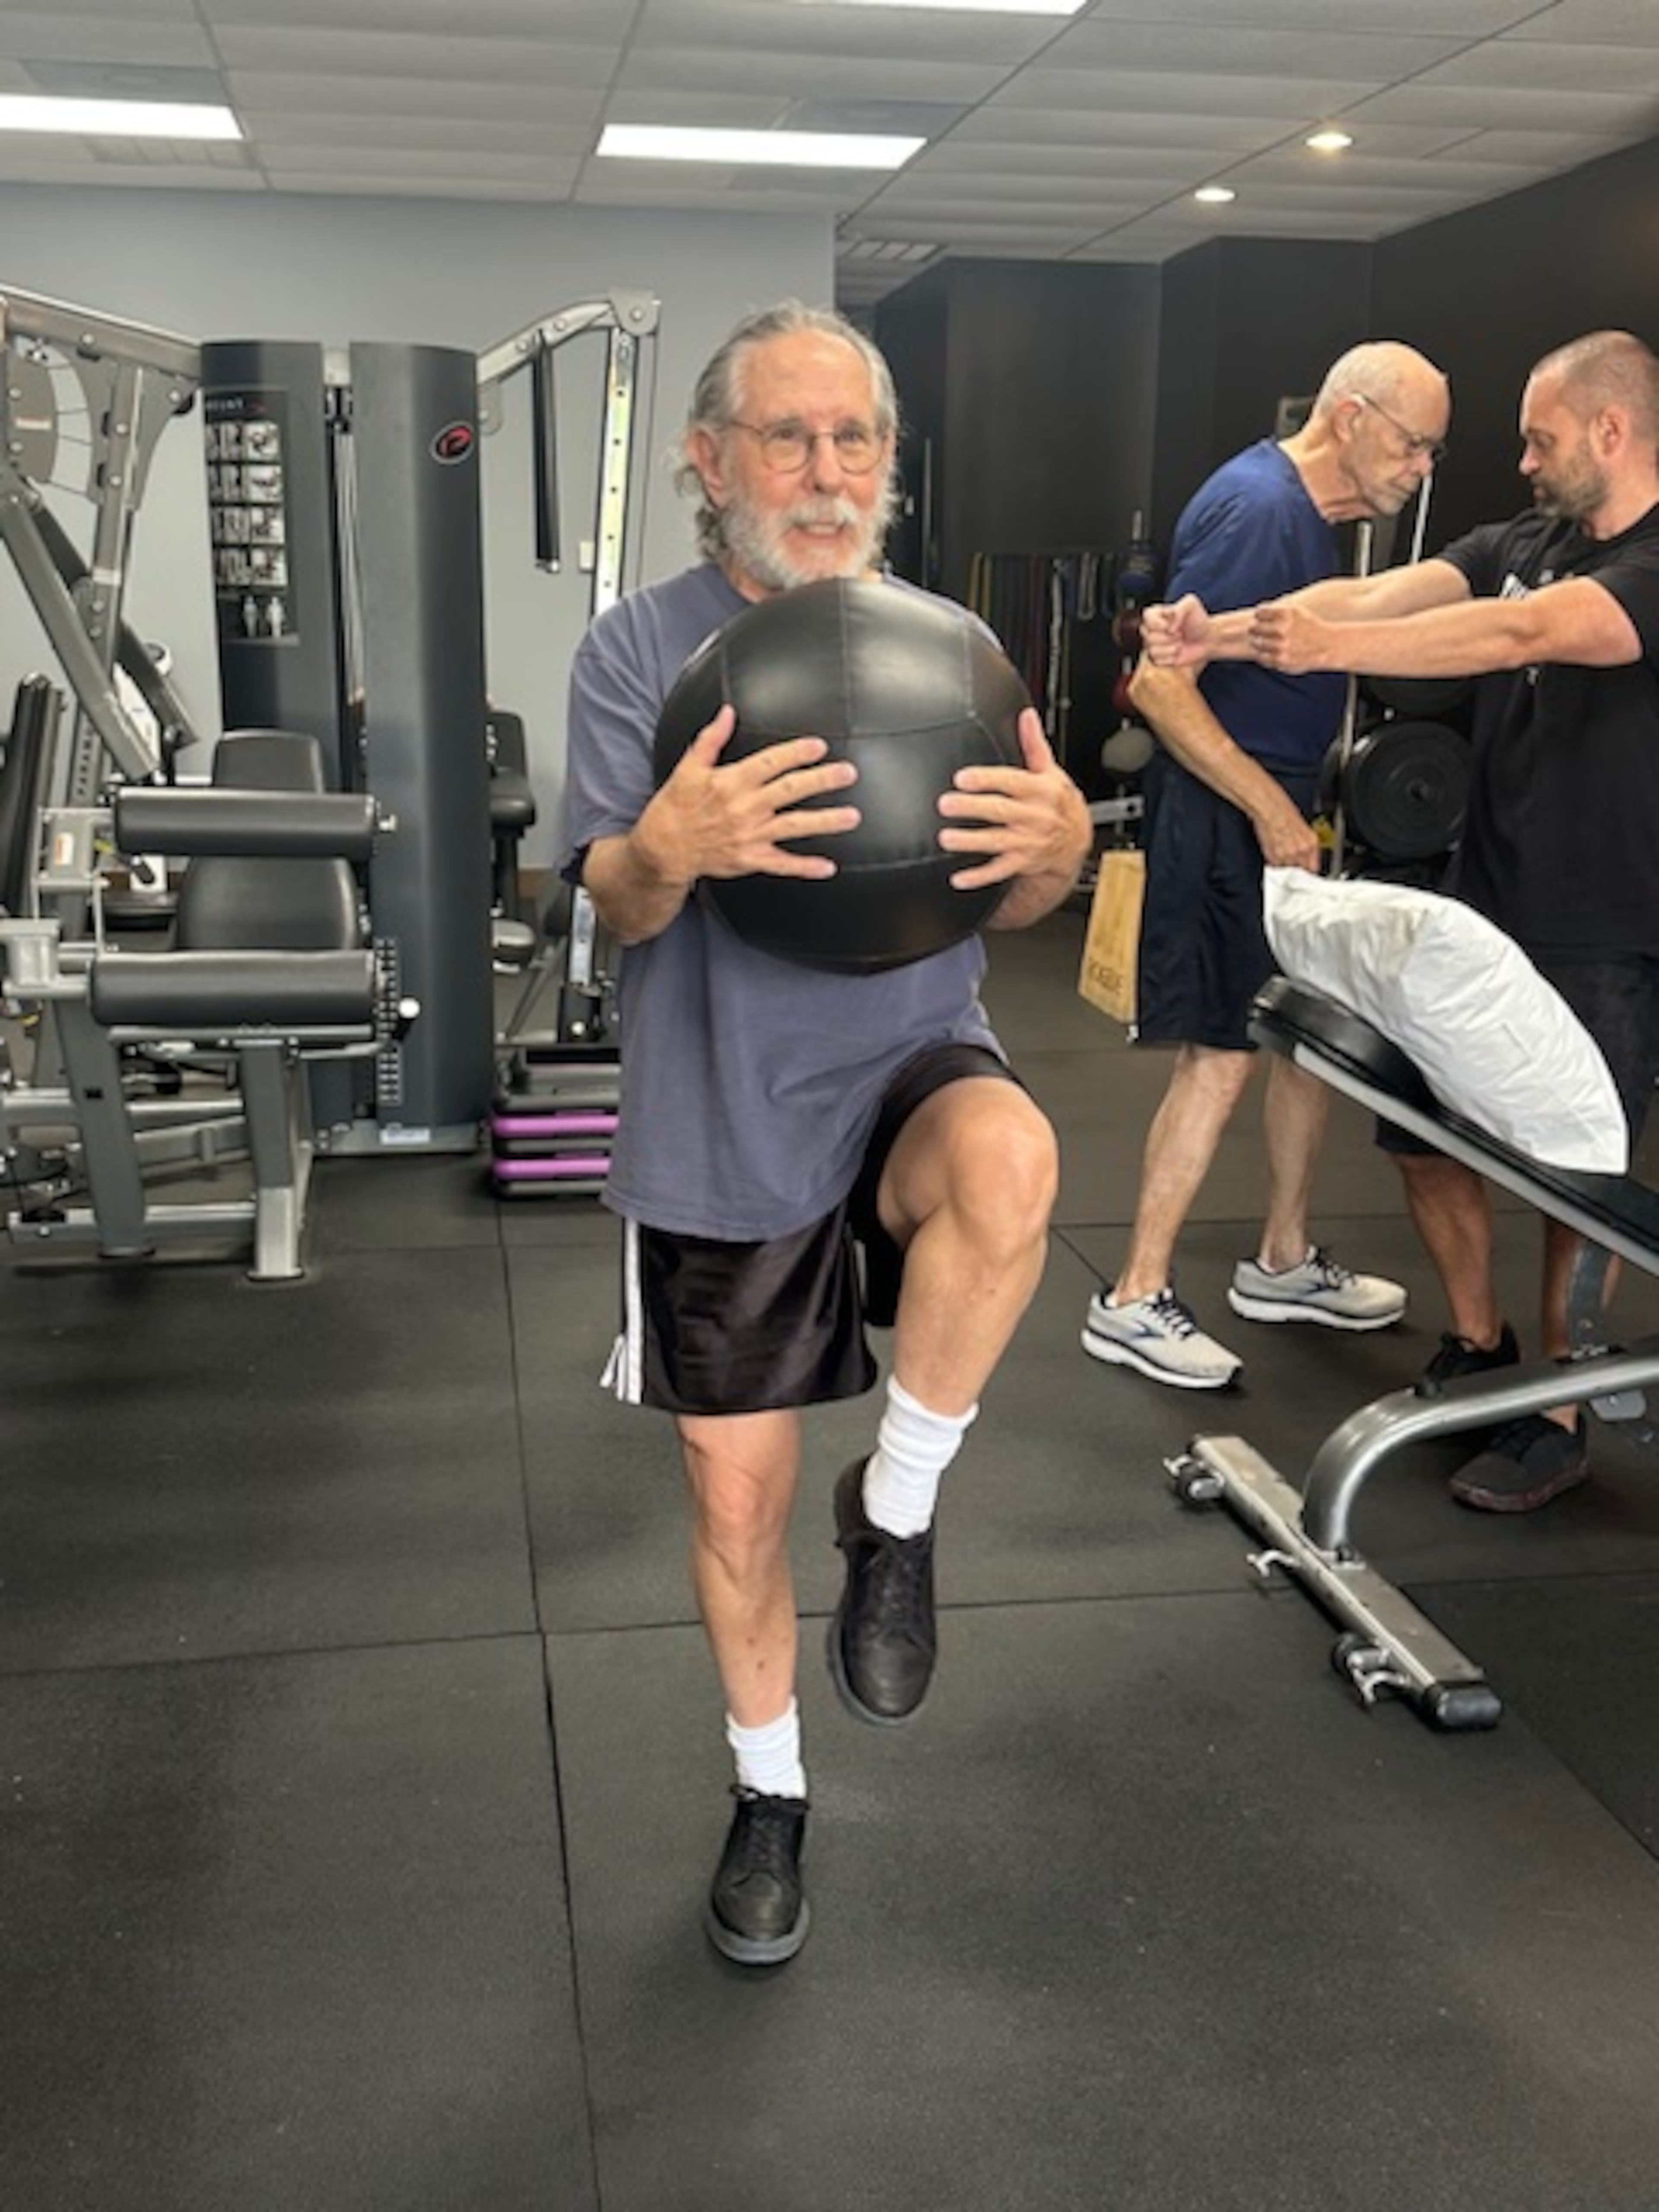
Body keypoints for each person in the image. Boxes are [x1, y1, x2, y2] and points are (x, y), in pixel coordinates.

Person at [558, 302, 1092, 1965]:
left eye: (854, 437)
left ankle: (903, 1512)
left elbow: (1025, 892)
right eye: (786, 437)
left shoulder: (952, 651)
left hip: (912, 1061)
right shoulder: (638, 653)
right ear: (709, 462)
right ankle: (771, 1792)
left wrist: (1065, 838)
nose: (825, 470)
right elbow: (610, 913)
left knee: (1016, 1164)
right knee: (734, 1505)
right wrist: (674, 840)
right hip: (722, 1120)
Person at [1147, 329, 1659, 1512]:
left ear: (1610, 432)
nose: (1521, 462)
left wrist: (1339, 647)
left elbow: (1521, 634)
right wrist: (1222, 631)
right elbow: (1380, 592)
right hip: (1488, 900)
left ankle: (1557, 1409)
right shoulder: (1523, 539)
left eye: (1539, 439)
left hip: (1610, 920)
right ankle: (1477, 1348)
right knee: (1423, 1137)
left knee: (1576, 1176)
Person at [1081, 342, 1449, 1390]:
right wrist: (1267, 803)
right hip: (1229, 810)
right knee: (1225, 1050)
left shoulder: (1308, 519)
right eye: (1415, 443)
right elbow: (1160, 689)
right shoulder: (1260, 509)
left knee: (1306, 1042)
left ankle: (1283, 1259)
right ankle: (1134, 1296)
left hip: (1279, 809)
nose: (1422, 466)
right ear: (1353, 416)